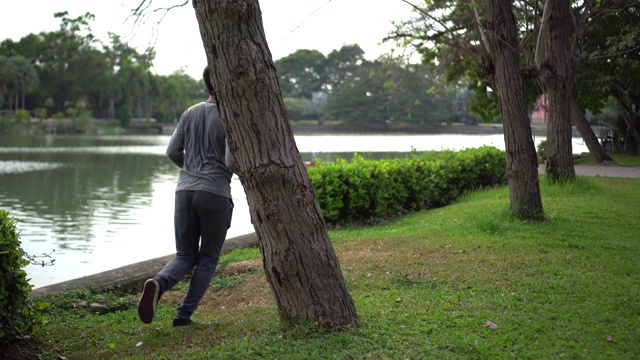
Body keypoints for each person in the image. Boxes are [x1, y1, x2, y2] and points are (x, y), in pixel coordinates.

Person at [137, 66, 234, 327]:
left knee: (185, 255)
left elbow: (171, 151)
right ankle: (183, 316)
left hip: (184, 192)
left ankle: (158, 284)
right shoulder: (230, 117)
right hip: (214, 193)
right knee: (208, 258)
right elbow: (230, 160)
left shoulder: (190, 112)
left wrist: (191, 170)